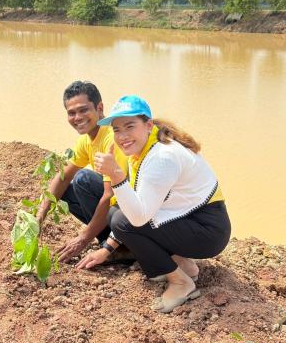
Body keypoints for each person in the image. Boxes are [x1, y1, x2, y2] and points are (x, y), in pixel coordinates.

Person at [76, 95, 231, 313]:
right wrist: (106, 250)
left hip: (208, 230)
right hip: (190, 219)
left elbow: (137, 218)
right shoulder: (145, 149)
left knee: (121, 220)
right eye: (117, 129)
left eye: (130, 126)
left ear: (148, 125)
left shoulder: (162, 157)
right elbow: (136, 205)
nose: (122, 136)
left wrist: (116, 175)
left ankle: (181, 283)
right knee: (116, 216)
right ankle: (184, 266)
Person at [36, 81, 129, 263]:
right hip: (117, 210)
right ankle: (110, 243)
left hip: (131, 214)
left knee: (83, 179)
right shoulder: (87, 140)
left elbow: (110, 196)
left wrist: (83, 238)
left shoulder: (111, 138)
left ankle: (119, 246)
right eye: (71, 113)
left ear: (99, 108)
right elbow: (63, 176)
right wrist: (39, 216)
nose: (77, 117)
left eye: (83, 110)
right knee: (66, 190)